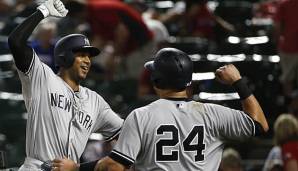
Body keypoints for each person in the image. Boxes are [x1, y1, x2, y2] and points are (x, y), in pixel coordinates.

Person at [52, 48, 269, 171]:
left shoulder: (141, 116)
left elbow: (114, 167)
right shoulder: (213, 113)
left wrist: (77, 168)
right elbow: (260, 124)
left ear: (156, 81)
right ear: (188, 83)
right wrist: (237, 82)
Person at [7, 0, 123, 170]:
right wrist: (43, 12)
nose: (87, 61)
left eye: (89, 57)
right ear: (64, 57)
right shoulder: (43, 78)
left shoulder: (95, 101)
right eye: (82, 55)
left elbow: (127, 133)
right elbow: (16, 42)